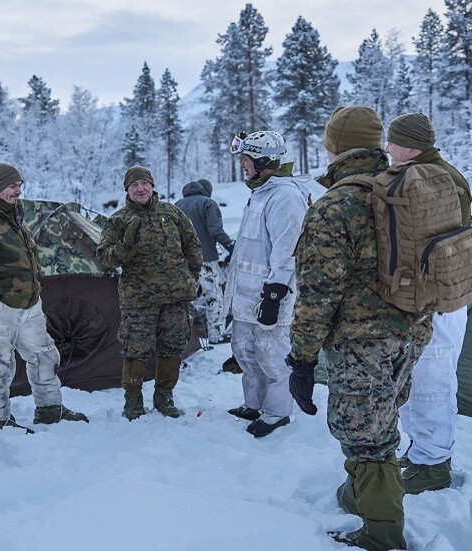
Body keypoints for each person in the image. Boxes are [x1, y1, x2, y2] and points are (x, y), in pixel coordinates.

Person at [287, 106, 433, 551]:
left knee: (368, 437)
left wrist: (302, 358)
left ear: (333, 148)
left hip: (361, 342)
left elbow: (317, 294)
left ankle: (383, 531)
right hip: (411, 332)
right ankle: (359, 494)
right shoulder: (406, 190)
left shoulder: (336, 205)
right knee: (374, 420)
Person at [386, 112, 472, 495]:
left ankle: (434, 464)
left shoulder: (434, 179)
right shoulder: (435, 173)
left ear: (409, 145)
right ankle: (422, 451)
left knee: (432, 382)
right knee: (418, 379)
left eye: (392, 142)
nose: (387, 149)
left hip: (437, 299)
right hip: (434, 296)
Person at [0, 162, 88, 432]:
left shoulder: (14, 215)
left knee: (45, 355)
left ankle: (49, 409)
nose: (18, 191)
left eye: (20, 185)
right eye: (12, 185)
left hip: (30, 303)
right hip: (0, 307)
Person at [96, 166, 202, 420]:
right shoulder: (118, 221)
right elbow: (104, 259)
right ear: (127, 190)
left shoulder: (172, 212)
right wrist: (125, 246)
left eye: (144, 183)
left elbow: (193, 246)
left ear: (152, 186)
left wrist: (190, 278)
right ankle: (133, 401)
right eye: (134, 185)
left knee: (172, 347)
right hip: (139, 300)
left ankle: (164, 397)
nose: (140, 189)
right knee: (135, 350)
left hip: (175, 298)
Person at [223, 130, 308, 438]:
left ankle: (278, 412)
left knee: (272, 356)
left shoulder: (285, 196)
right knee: (245, 350)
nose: (242, 165)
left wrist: (275, 294)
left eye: (246, 160)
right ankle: (255, 404)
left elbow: (287, 251)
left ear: (263, 161)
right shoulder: (261, 192)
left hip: (269, 297)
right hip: (246, 297)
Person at [175, 178, 234, 344]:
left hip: (181, 261)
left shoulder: (178, 204)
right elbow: (215, 230)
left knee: (185, 299)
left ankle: (184, 338)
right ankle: (216, 334)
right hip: (205, 259)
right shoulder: (208, 203)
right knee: (214, 296)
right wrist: (231, 246)